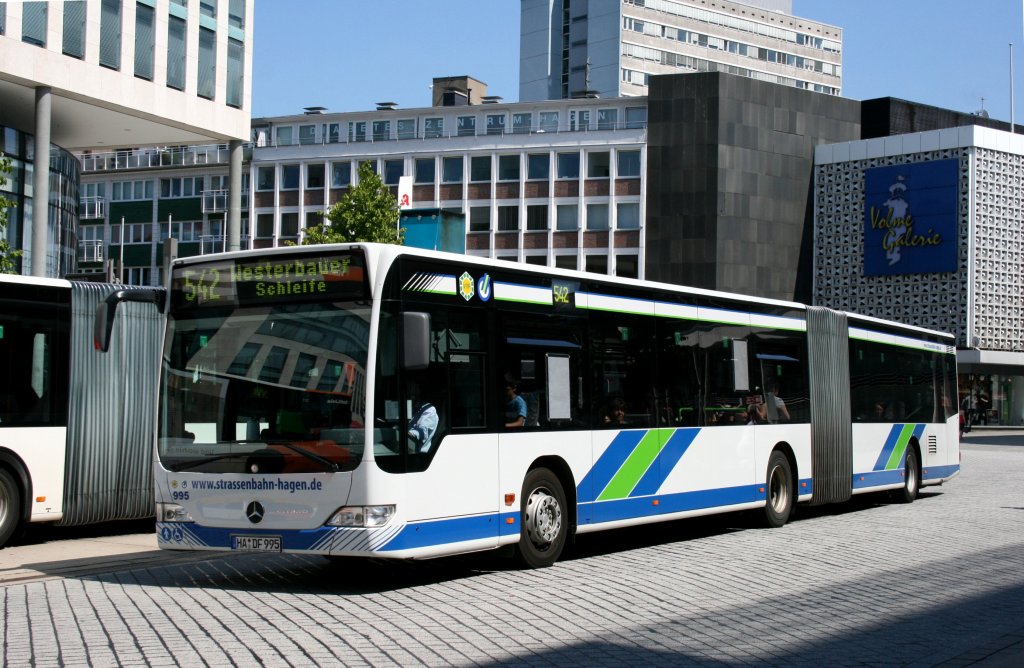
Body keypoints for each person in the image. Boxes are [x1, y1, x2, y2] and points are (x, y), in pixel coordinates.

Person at [407, 382, 438, 453]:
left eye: (413, 389)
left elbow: (421, 433)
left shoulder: (430, 410)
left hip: (418, 453)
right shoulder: (411, 407)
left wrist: (403, 433)